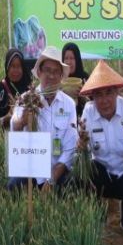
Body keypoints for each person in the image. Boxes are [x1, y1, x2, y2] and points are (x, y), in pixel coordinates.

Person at [78, 60, 123, 230]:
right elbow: (84, 152)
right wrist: (82, 145)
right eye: (98, 95)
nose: (104, 101)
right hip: (103, 175)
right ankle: (99, 216)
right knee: (83, 175)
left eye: (109, 93)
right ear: (92, 97)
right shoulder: (88, 111)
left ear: (117, 92)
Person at [9, 46, 79, 192]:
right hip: (31, 170)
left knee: (73, 186)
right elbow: (14, 124)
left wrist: (52, 178)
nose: (51, 76)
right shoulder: (26, 98)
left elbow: (70, 147)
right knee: (13, 187)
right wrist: (22, 121)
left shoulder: (69, 105)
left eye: (56, 72)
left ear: (61, 76)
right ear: (39, 72)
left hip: (57, 170)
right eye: (47, 70)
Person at [0, 47, 31, 131]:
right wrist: (7, 117)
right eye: (12, 66)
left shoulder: (30, 89)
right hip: (6, 139)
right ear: (7, 67)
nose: (15, 70)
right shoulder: (0, 89)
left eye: (19, 66)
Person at [61, 42, 91, 116]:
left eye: (72, 58)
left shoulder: (85, 78)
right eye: (66, 58)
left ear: (77, 59)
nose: (69, 62)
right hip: (62, 116)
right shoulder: (59, 77)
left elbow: (93, 105)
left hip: (82, 118)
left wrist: (83, 97)